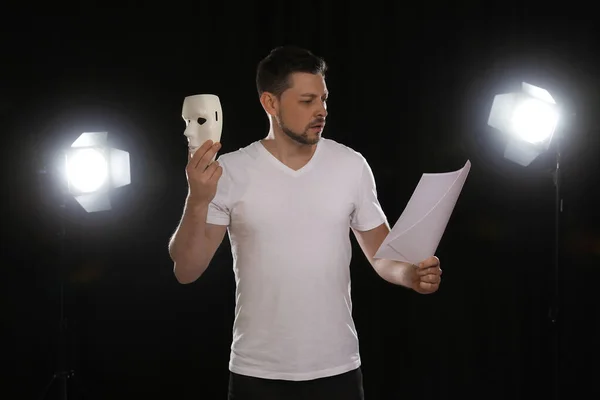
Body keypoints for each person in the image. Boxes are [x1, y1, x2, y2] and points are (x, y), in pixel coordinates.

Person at [168, 45, 443, 400]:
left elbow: (381, 254)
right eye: (307, 101)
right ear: (270, 103)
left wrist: (410, 275)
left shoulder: (351, 165)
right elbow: (186, 269)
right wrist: (197, 198)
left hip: (337, 369)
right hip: (258, 371)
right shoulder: (230, 171)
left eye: (324, 100)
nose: (321, 111)